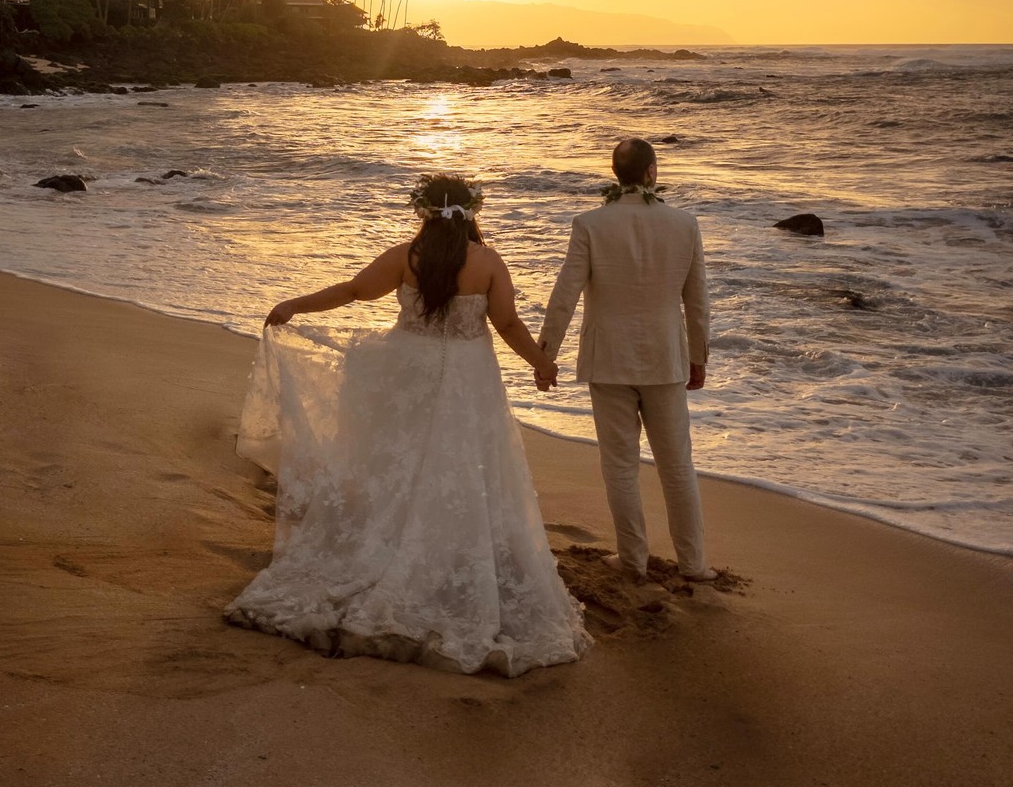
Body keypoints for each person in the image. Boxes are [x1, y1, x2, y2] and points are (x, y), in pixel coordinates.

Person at [225, 172, 590, 676]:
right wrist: (540, 364)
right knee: (463, 467)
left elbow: (355, 290)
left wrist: (295, 304)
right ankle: (450, 555)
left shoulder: (407, 256)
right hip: (467, 380)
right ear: (471, 212)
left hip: (407, 371)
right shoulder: (486, 261)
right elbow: (506, 323)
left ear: (423, 212)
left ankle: (389, 545)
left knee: (398, 463)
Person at [538, 137, 716, 584]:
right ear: (652, 172)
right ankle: (693, 564)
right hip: (665, 359)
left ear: (615, 174)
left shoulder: (591, 224)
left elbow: (565, 295)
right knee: (677, 465)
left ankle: (633, 558)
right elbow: (698, 303)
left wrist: (546, 356)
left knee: (619, 465)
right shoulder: (685, 224)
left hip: (608, 358)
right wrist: (698, 357)